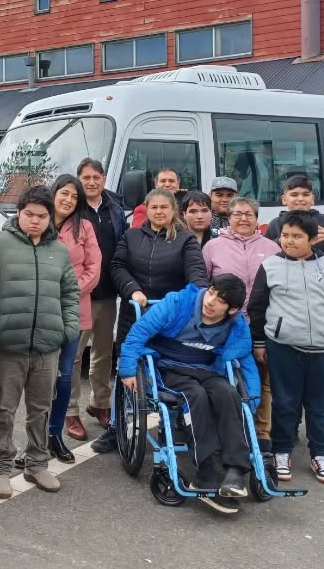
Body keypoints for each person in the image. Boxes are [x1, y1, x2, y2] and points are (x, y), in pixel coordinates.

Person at [118, 276, 258, 515]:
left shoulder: (236, 325)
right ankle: (206, 472)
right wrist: (128, 369)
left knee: (228, 394)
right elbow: (138, 333)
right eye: (212, 292)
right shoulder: (178, 303)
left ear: (232, 309)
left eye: (220, 300)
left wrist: (252, 397)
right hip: (168, 366)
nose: (211, 301)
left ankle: (236, 469)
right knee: (197, 397)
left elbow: (245, 359)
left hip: (206, 368)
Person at [92, 188, 208, 453]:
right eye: (154, 207)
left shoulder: (186, 239)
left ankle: (178, 424)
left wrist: (189, 299)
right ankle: (116, 427)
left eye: (164, 208)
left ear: (172, 211)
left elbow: (197, 274)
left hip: (170, 318)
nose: (159, 212)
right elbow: (117, 266)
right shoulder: (131, 236)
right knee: (126, 369)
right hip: (135, 313)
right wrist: (132, 289)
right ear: (147, 209)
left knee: (168, 371)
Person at [0, 185, 80, 499]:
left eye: (42, 216)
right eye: (29, 215)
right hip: (8, 347)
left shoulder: (60, 249)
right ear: (19, 213)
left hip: (47, 346)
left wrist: (68, 329)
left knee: (40, 409)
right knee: (3, 409)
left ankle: (37, 463)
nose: (35, 221)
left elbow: (69, 293)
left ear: (50, 217)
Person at [249, 211, 324, 486]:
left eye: (297, 237)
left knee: (321, 405)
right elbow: (258, 308)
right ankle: (281, 451)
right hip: (282, 346)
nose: (289, 241)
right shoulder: (271, 266)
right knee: (284, 403)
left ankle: (321, 454)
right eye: (285, 236)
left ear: (312, 239)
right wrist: (260, 343)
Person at [263, 173, 324, 452]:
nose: (299, 199)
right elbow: (268, 264)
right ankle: (287, 436)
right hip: (287, 322)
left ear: (313, 198)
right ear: (284, 199)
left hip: (321, 320)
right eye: (294, 194)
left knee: (322, 390)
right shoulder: (275, 226)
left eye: (305, 194)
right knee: (285, 392)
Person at [202, 195, 281, 451]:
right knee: (222, 378)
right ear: (229, 217)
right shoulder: (213, 246)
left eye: (248, 214)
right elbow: (204, 287)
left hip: (261, 323)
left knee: (262, 379)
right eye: (237, 214)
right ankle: (222, 429)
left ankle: (261, 433)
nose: (243, 218)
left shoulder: (272, 247)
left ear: (257, 219)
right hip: (224, 323)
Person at [68, 158, 127, 439]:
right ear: (79, 179)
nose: (91, 182)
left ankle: (100, 404)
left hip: (107, 293)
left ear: (104, 179)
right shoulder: (72, 209)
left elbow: (122, 245)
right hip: (80, 295)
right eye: (86, 177)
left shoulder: (114, 208)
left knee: (104, 353)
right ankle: (70, 411)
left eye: (96, 177)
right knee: (74, 356)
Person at [45, 174, 102, 462]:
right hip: (40, 313)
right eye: (63, 193)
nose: (68, 200)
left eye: (74, 196)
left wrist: (67, 291)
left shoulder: (85, 227)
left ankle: (55, 433)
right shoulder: (39, 222)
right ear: (53, 193)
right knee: (38, 377)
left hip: (72, 311)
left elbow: (94, 268)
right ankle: (35, 437)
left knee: (64, 375)